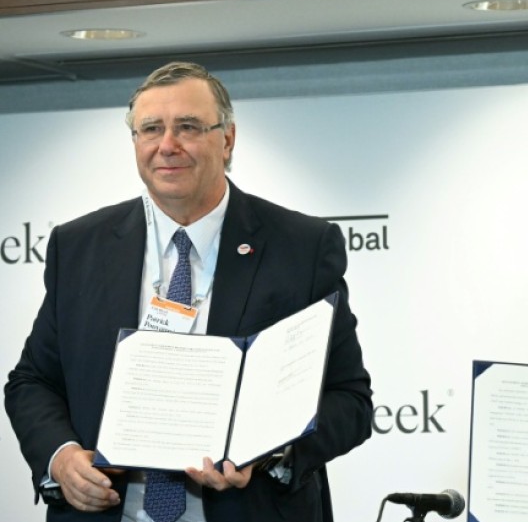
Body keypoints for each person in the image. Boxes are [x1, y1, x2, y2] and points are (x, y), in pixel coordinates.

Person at [4, 61, 373, 522]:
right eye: (151, 129)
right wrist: (60, 457)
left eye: (189, 127)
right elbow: (32, 381)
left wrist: (269, 455)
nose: (167, 146)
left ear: (228, 138)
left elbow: (349, 399)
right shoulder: (78, 246)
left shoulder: (301, 247)